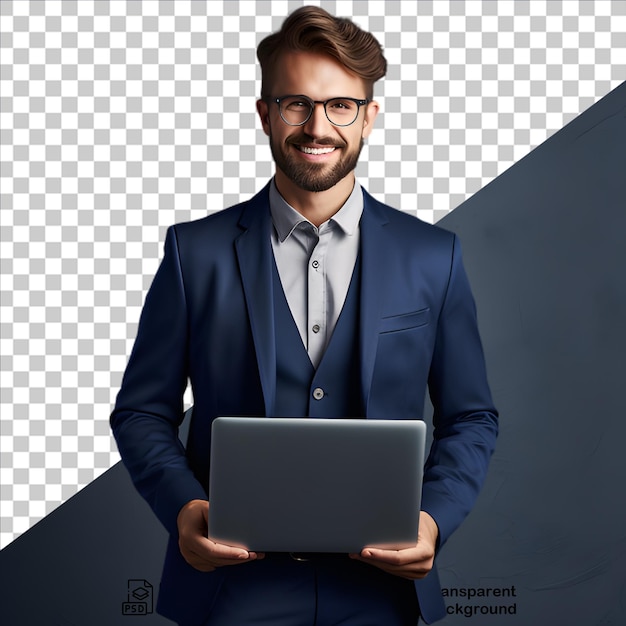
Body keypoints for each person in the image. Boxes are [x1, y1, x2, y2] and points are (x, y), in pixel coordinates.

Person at [111, 6, 498, 626]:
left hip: (382, 593)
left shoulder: (434, 256)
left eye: (340, 105)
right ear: (265, 113)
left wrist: (432, 519)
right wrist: (185, 509)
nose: (318, 126)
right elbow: (141, 410)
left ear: (370, 117)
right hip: (231, 591)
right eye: (296, 103)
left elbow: (472, 416)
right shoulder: (195, 252)